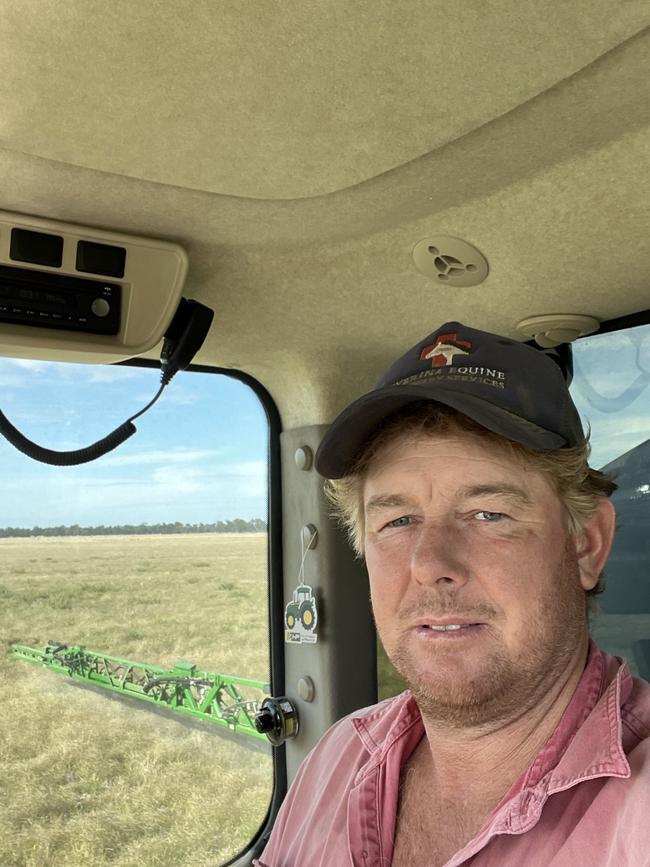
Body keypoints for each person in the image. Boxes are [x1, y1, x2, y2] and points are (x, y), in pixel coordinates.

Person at [256, 322, 650, 867]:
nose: (430, 565)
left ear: (585, 544)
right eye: (397, 521)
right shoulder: (339, 755)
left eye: (488, 514)